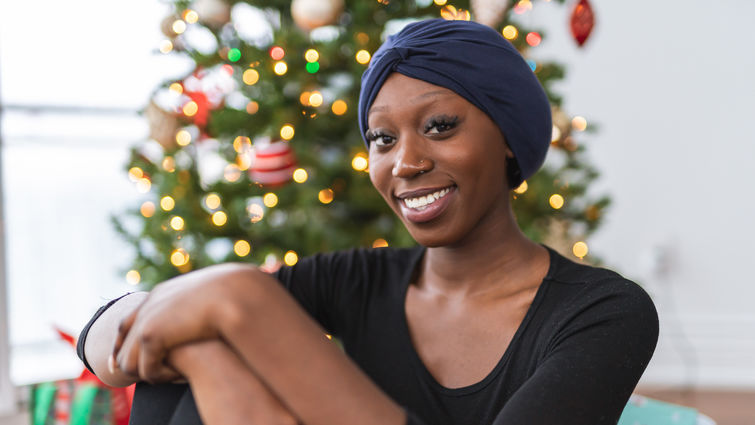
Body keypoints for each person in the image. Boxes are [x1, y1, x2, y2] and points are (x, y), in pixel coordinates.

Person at [77, 18, 658, 425]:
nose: (405, 162)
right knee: (184, 355)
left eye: (439, 127)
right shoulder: (356, 281)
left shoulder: (604, 313)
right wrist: (205, 349)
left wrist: (241, 305)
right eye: (382, 138)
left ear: (508, 138)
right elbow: (102, 333)